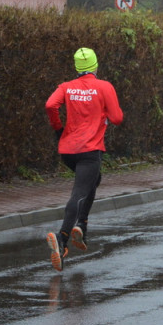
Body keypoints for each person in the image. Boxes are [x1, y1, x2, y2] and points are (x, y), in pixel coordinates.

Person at [43, 47, 124, 271]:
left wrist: (58, 129)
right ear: (95, 66)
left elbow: (50, 105)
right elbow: (117, 118)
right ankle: (62, 237)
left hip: (68, 150)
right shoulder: (104, 86)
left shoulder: (66, 87)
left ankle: (82, 225)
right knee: (80, 192)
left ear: (77, 67)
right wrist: (104, 114)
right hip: (90, 150)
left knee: (93, 181)